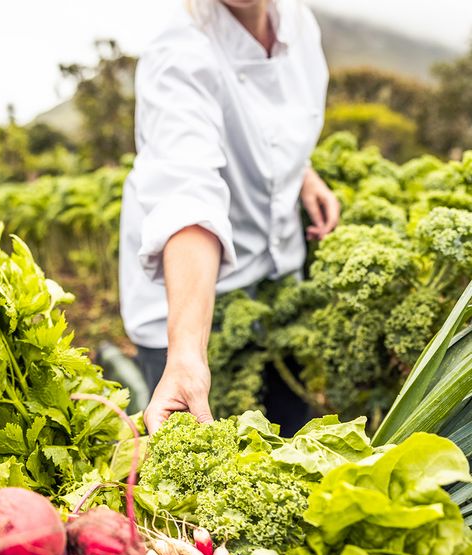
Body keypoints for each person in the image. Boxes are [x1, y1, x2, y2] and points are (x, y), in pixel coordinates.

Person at [119, 0, 340, 434]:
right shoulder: (179, 49)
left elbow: (275, 124)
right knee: (205, 472)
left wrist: (302, 173)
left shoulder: (297, 22)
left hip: (273, 279)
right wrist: (185, 354)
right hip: (187, 297)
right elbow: (188, 193)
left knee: (291, 430)